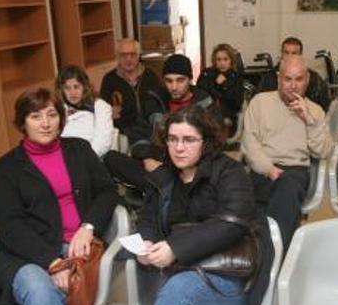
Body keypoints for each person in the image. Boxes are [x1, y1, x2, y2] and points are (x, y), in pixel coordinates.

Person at [112, 105, 273, 305]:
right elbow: (147, 219)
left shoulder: (230, 172)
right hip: (182, 276)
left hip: (232, 279)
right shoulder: (163, 178)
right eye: (173, 139)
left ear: (206, 141)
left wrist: (175, 247)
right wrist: (146, 241)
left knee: (181, 289)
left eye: (189, 140)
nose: (179, 148)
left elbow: (233, 223)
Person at [0, 88, 118, 305]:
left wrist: (88, 226)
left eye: (51, 114)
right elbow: (11, 226)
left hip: (77, 247)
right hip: (25, 254)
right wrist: (51, 261)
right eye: (35, 116)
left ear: (61, 117)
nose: (45, 123)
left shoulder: (79, 150)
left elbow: (108, 191)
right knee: (40, 292)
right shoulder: (5, 168)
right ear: (22, 123)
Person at [242, 54, 334, 249]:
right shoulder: (260, 102)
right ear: (278, 79)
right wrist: (269, 169)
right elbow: (249, 144)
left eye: (299, 79)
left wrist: (309, 120)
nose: (293, 85)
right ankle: (277, 254)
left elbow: (323, 151)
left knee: (286, 188)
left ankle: (268, 255)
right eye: (288, 79)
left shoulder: (315, 111)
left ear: (307, 80)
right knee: (256, 205)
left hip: (294, 173)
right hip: (263, 169)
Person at [103, 54, 215, 191]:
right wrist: (147, 158)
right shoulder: (154, 100)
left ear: (190, 80)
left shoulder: (204, 103)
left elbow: (212, 143)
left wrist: (182, 165)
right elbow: (139, 133)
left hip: (190, 167)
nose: (174, 87)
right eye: (169, 81)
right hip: (157, 162)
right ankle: (165, 189)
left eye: (180, 80)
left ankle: (163, 190)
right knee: (111, 158)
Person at [99, 38, 162, 140]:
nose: (128, 59)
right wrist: (109, 112)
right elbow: (102, 109)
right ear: (117, 57)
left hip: (151, 130)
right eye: (123, 55)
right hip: (124, 132)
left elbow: (161, 103)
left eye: (132, 54)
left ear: (138, 55)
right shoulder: (109, 79)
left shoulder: (151, 75)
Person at [257, 37, 332, 111]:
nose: (289, 57)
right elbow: (260, 106)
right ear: (281, 54)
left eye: (294, 53)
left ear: (300, 55)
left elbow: (324, 107)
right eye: (286, 53)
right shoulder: (269, 78)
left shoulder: (314, 78)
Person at [55, 64, 113, 157]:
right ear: (61, 89)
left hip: (92, 157)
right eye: (67, 88)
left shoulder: (99, 105)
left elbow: (103, 141)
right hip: (64, 157)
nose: (72, 92)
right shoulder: (58, 108)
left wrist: (84, 159)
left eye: (76, 87)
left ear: (85, 86)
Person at [196, 43, 244, 134]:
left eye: (225, 59)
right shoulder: (207, 74)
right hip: (207, 115)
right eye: (219, 60)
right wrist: (215, 84)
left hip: (228, 116)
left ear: (231, 60)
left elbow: (237, 103)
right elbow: (199, 96)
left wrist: (224, 85)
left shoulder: (236, 77)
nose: (222, 63)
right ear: (214, 61)